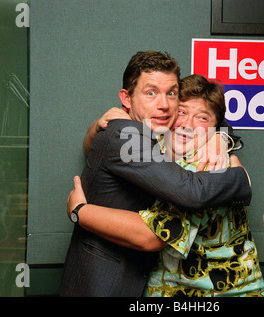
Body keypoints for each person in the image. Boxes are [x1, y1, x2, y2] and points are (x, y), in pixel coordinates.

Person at [60, 51, 252, 297]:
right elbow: (187, 195)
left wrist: (219, 135)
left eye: (171, 93)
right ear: (126, 99)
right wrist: (241, 179)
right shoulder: (127, 136)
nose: (164, 104)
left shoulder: (161, 132)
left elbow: (205, 112)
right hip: (104, 284)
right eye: (150, 93)